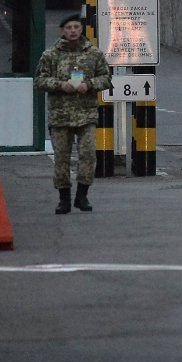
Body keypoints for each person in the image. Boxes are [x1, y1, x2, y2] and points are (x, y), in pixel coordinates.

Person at [34, 15, 112, 215]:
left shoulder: (93, 54)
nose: (73, 30)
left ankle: (82, 195)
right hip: (61, 116)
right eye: (69, 27)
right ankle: (64, 199)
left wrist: (90, 85)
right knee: (61, 158)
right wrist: (61, 85)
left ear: (81, 29)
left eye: (76, 26)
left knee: (88, 154)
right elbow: (40, 80)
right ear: (62, 30)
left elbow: (106, 77)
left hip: (86, 115)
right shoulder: (51, 55)